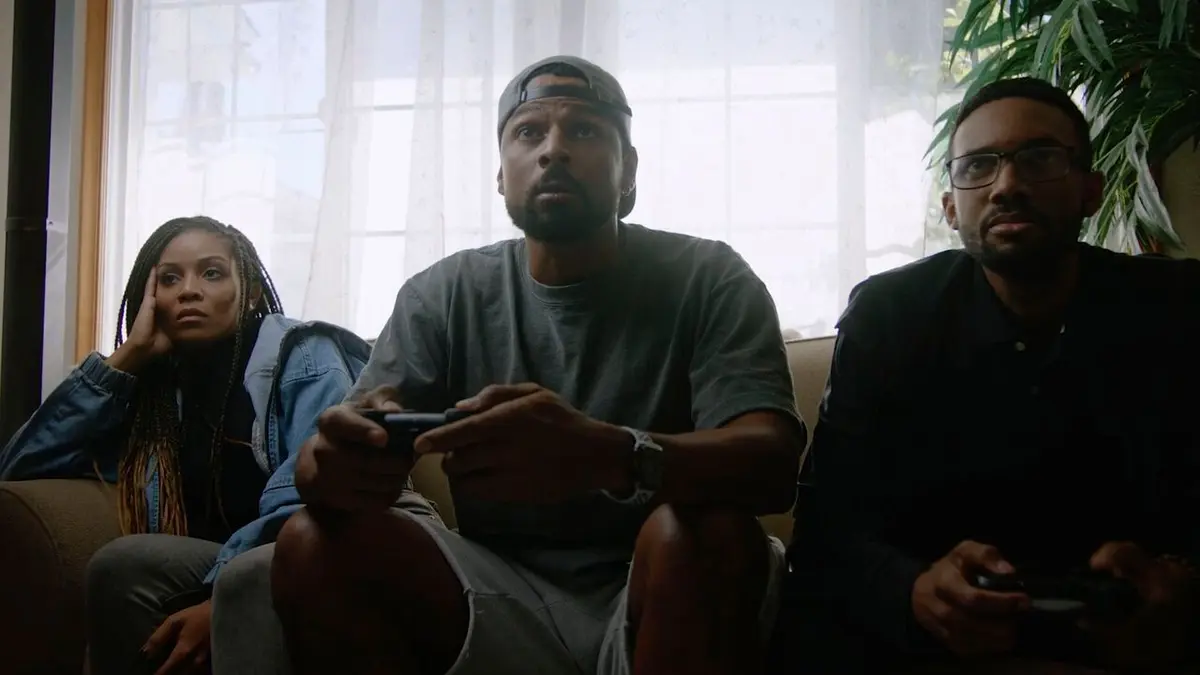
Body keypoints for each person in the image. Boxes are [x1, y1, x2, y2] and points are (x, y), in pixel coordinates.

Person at [269, 55, 804, 675]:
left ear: (629, 172)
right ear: (502, 175)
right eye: (529, 132)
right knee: (310, 540)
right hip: (495, 587)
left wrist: (610, 455)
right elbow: (325, 462)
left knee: (705, 534)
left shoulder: (709, 277)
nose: (553, 150)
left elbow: (772, 465)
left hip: (659, 580)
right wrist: (335, 463)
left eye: (584, 130)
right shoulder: (444, 293)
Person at [774, 77, 1200, 674]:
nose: (1007, 186)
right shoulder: (889, 318)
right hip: (928, 645)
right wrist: (911, 589)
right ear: (951, 207)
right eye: (978, 166)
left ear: (1091, 191)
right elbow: (826, 528)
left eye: (1039, 159)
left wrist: (1177, 583)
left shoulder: (1177, 308)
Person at [0, 216, 372, 675]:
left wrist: (221, 596)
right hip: (220, 565)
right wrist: (127, 358)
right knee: (122, 566)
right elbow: (20, 466)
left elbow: (314, 496)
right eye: (170, 279)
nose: (188, 291)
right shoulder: (153, 393)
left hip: (311, 552)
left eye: (211, 273)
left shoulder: (304, 355)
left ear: (250, 292)